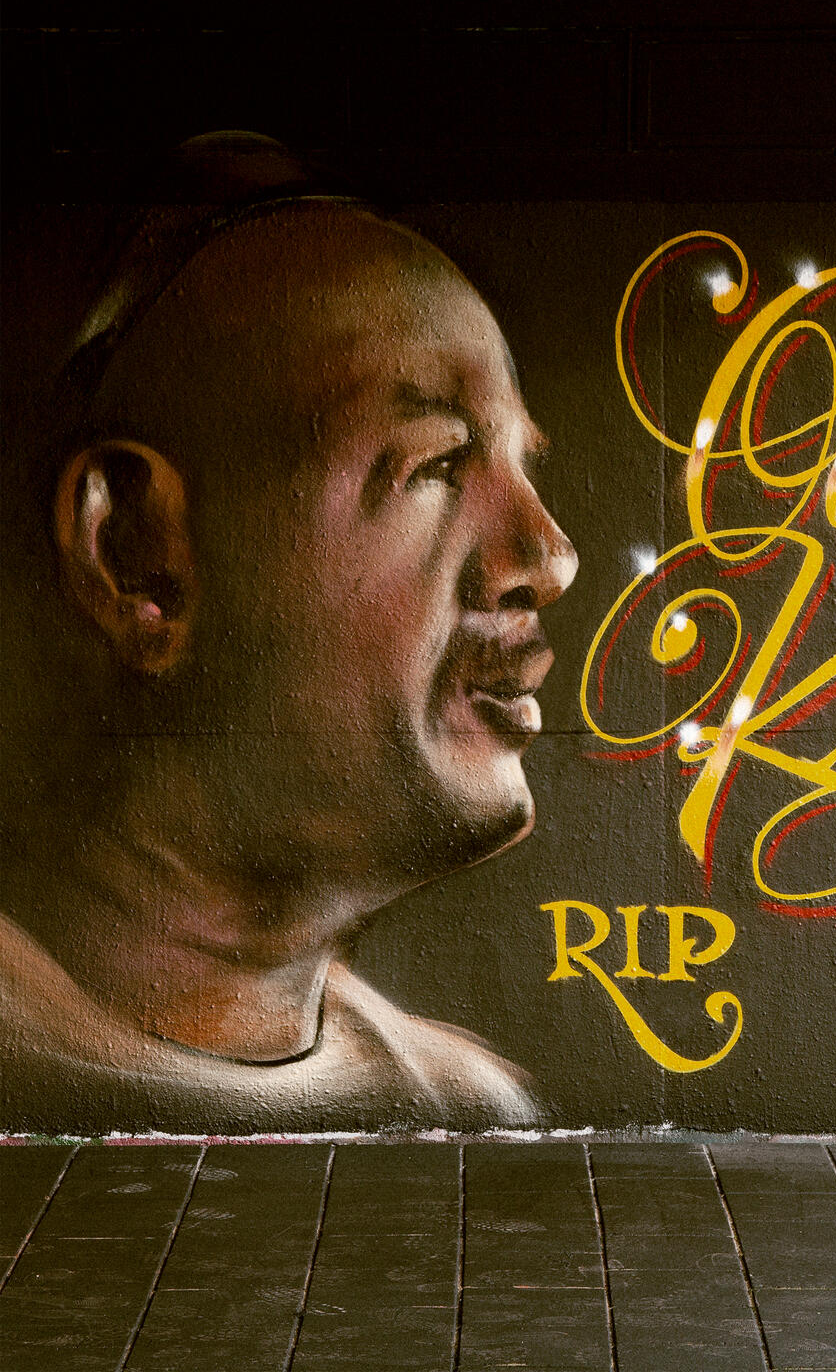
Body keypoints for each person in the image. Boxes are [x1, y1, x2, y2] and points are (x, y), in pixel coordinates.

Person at [0, 138, 577, 1133]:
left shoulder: (463, 1109)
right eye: (438, 464)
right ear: (136, 556)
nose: (547, 556)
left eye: (517, 466)